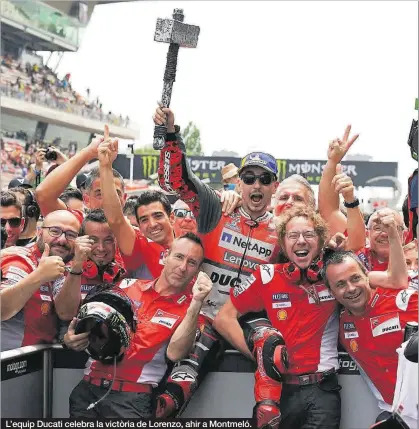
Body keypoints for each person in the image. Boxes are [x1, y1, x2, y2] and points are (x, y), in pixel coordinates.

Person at [154, 105, 282, 417]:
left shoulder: (283, 229)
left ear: (274, 187)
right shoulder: (216, 209)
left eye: (264, 179)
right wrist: (172, 135)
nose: (256, 185)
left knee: (273, 347)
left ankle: (268, 411)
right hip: (205, 315)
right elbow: (175, 182)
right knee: (170, 398)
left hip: (246, 317)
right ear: (238, 183)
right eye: (249, 178)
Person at [214, 207, 342, 429]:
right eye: (293, 236)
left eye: (309, 235)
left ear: (321, 241)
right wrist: (263, 357)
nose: (301, 241)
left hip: (323, 391)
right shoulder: (266, 276)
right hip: (280, 391)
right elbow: (223, 319)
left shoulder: (335, 275)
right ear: (283, 244)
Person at [64, 233, 212, 418]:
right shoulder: (126, 285)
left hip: (132, 400)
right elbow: (87, 323)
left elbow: (175, 353)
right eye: (179, 257)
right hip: (87, 390)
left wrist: (197, 301)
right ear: (166, 256)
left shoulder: (191, 310)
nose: (182, 267)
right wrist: (70, 339)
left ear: (197, 271)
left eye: (191, 263)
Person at [323, 227, 415, 427]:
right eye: (340, 284)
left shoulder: (403, 299)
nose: (351, 289)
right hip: (398, 416)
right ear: (331, 291)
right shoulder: (341, 324)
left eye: (355, 278)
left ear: (368, 276)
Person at [1, 210, 81, 351]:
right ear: (39, 232)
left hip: (38, 365)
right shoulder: (19, 259)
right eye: (55, 231)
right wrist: (39, 276)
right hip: (9, 364)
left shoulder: (66, 265)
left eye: (70, 235)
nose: (62, 240)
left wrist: (77, 266)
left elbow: (66, 313)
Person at [53, 208, 126, 322]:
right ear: (81, 240)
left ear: (116, 241)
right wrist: (76, 266)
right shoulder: (64, 270)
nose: (101, 248)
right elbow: (65, 314)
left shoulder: (126, 270)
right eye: (93, 240)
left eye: (108, 240)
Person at [35, 134, 126, 215]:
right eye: (100, 194)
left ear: (124, 199)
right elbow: (43, 196)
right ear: (87, 200)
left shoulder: (133, 233)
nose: (108, 201)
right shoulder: (77, 225)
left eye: (115, 194)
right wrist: (88, 152)